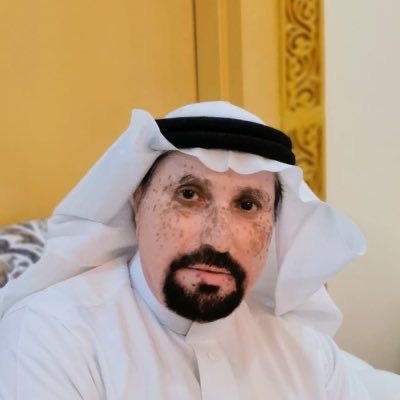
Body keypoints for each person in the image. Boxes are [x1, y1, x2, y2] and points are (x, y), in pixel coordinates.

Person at [0, 102, 373, 398]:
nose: (218, 240)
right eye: (189, 195)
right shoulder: (51, 336)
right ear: (138, 202)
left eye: (247, 206)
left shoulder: (308, 354)